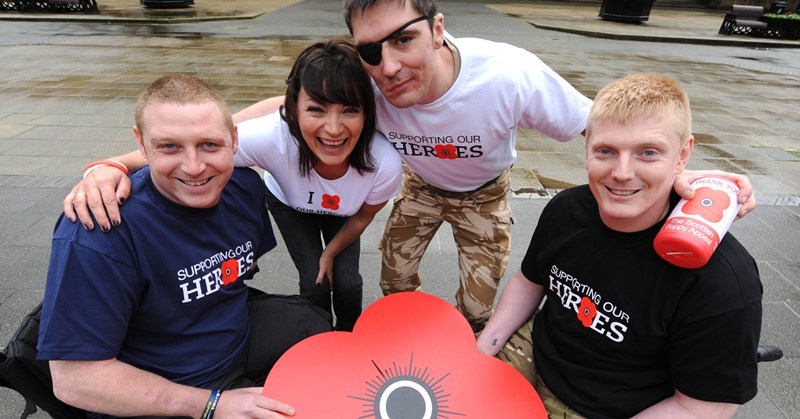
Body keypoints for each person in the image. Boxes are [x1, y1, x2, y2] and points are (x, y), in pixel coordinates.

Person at [65, 0, 756, 333]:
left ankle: (472, 359)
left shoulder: (508, 76)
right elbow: (278, 108)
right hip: (418, 187)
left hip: (485, 189)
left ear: (439, 25)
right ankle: (396, 358)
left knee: (486, 302)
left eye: (404, 40)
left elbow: (605, 129)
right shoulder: (364, 83)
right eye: (371, 50)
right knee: (394, 279)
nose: (389, 66)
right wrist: (111, 164)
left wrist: (685, 178)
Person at [38, 74, 331, 419]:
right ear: (142, 146)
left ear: (234, 140)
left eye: (209, 144)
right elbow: (75, 380)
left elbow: (238, 273)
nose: (194, 168)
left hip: (233, 343)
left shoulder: (243, 187)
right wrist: (210, 405)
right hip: (161, 390)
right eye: (170, 147)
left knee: (319, 329)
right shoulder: (99, 227)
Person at [61, 38, 403, 332]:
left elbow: (362, 218)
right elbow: (194, 146)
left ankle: (349, 337)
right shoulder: (271, 138)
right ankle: (318, 337)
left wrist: (331, 252)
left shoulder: (382, 161)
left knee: (347, 280)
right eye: (316, 109)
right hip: (289, 204)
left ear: (366, 113)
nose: (333, 129)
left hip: (344, 213)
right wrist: (111, 166)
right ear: (293, 109)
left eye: (349, 110)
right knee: (313, 279)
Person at [476, 73, 762, 418]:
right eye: (606, 151)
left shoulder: (721, 279)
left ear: (683, 153)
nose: (622, 173)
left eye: (648, 152)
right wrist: (481, 353)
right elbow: (529, 281)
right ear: (587, 149)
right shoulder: (567, 209)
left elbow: (703, 406)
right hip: (538, 353)